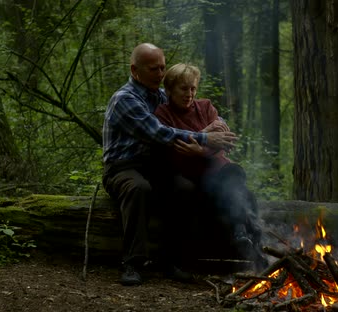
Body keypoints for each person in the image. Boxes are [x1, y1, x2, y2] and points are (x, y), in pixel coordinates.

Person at [102, 43, 238, 286]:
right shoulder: (124, 99)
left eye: (163, 67)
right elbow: (159, 133)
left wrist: (220, 125)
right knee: (138, 189)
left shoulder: (161, 95)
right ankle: (132, 263)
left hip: (155, 164)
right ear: (135, 71)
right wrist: (206, 136)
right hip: (123, 167)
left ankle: (172, 260)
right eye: (154, 69)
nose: (161, 74)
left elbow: (196, 108)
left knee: (184, 189)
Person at [154, 63, 263, 267]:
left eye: (193, 88)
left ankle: (242, 235)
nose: (190, 94)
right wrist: (207, 136)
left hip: (220, 171)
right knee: (239, 192)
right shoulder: (163, 115)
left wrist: (199, 150)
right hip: (191, 174)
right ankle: (246, 238)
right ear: (169, 90)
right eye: (183, 88)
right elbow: (175, 152)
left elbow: (224, 143)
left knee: (234, 174)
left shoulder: (205, 107)